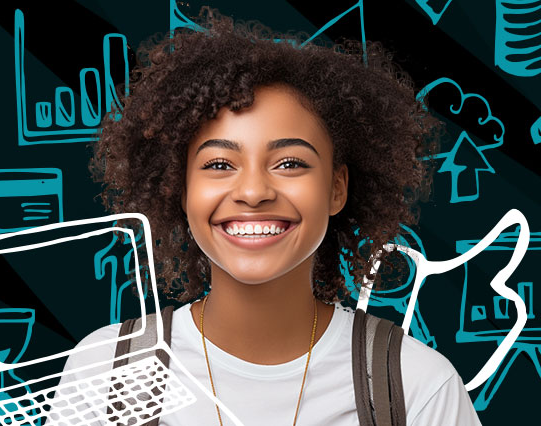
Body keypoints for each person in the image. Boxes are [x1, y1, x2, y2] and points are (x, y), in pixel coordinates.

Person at [57, 6, 482, 426]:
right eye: (220, 165)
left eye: (290, 163)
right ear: (181, 190)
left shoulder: (419, 388)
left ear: (337, 189)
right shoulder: (105, 372)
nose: (254, 192)